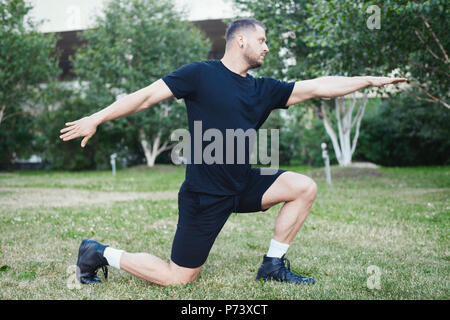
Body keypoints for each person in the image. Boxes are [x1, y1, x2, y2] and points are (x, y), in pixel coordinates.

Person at [61, 18, 407, 286]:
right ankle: (99, 252)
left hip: (242, 184)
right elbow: (146, 96)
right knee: (177, 278)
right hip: (205, 194)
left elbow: (318, 86)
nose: (267, 47)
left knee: (304, 187)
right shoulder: (200, 74)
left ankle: (272, 265)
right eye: (262, 40)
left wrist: (368, 80)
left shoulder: (264, 89)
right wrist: (98, 117)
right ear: (240, 40)